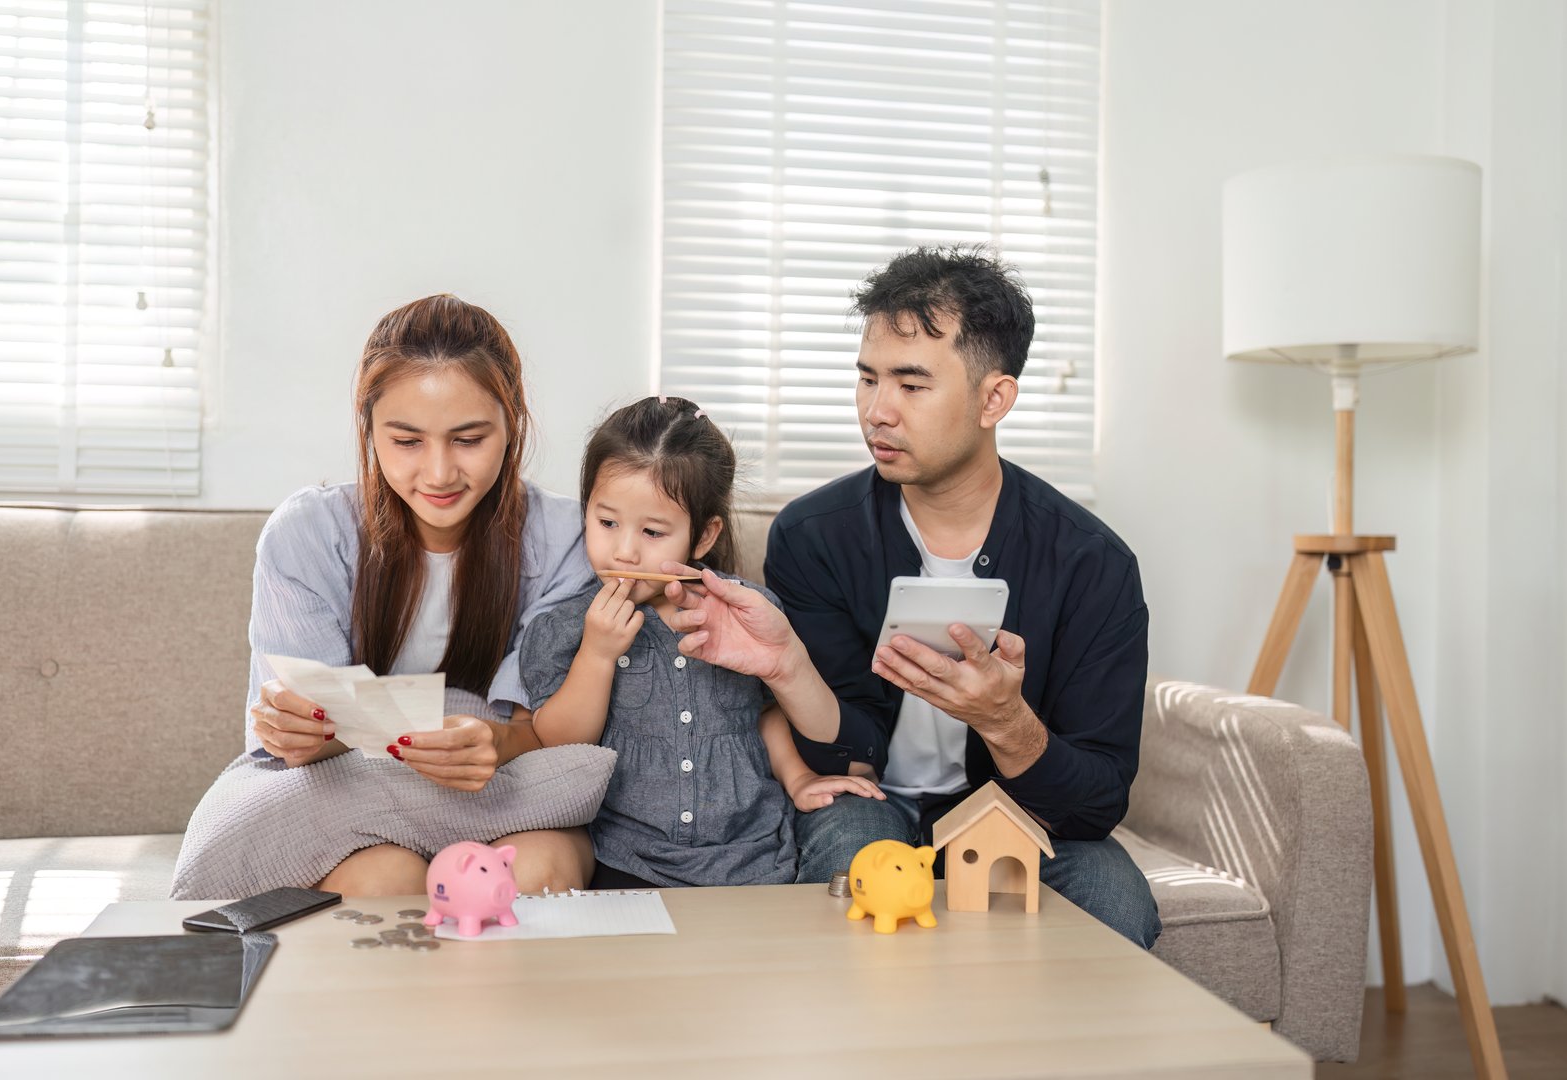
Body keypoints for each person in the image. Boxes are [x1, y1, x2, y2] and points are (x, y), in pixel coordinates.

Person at [657, 247, 1162, 948]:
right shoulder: (814, 536)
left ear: (995, 399)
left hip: (1018, 810)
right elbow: (844, 753)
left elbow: (1096, 803)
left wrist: (1005, 720)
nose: (877, 411)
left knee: (1114, 899)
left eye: (911, 385)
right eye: (867, 380)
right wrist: (790, 670)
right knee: (851, 868)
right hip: (871, 797)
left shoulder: (1092, 565)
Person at [172, 294, 608, 900]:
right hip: (356, 803)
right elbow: (309, 733)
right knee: (389, 880)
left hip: (507, 795)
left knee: (534, 875)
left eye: (468, 439)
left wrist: (498, 740)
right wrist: (298, 730)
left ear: (513, 427)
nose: (437, 474)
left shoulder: (567, 538)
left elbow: (545, 725)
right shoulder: (308, 534)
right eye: (406, 442)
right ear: (369, 431)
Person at [521, 396, 882, 889]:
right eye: (606, 523)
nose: (624, 551)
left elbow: (763, 713)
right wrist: (597, 654)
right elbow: (559, 741)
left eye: (652, 531)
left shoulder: (744, 613)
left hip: (752, 857)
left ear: (704, 535)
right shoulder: (567, 627)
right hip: (627, 860)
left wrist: (799, 779)